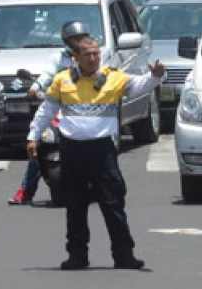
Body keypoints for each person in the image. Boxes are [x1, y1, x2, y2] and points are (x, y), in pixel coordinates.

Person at [26, 36, 165, 270]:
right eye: (87, 54)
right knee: (75, 206)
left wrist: (156, 76)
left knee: (113, 204)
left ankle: (124, 255)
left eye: (96, 54)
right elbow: (46, 110)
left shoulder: (112, 77)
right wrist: (32, 137)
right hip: (72, 150)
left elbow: (142, 85)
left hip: (102, 151)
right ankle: (77, 256)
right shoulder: (62, 80)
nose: (93, 58)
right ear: (75, 58)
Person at [9, 21, 91, 205]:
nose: (79, 42)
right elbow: (47, 75)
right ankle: (26, 190)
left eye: (81, 38)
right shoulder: (58, 58)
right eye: (75, 39)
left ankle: (102, 185)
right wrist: (36, 87)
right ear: (67, 40)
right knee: (37, 145)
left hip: (81, 108)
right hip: (58, 107)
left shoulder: (88, 57)